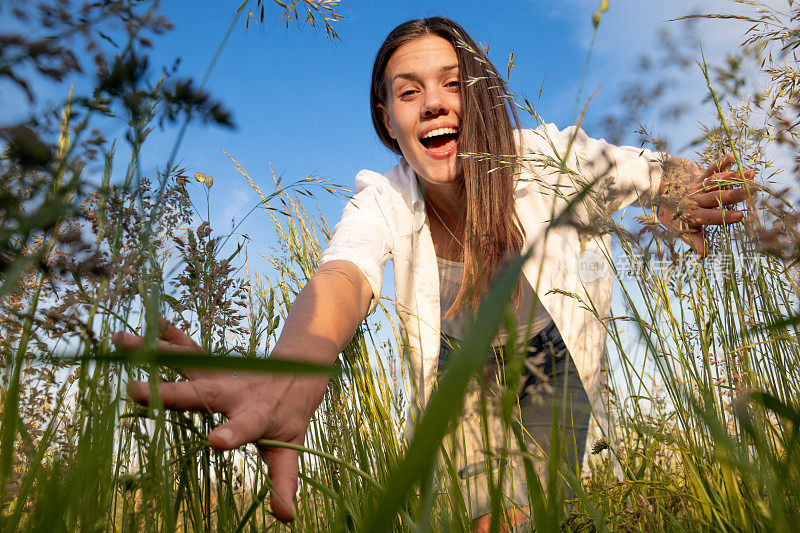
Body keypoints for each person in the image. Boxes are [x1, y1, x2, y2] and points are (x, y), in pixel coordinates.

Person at [112, 16, 754, 531]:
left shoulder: (546, 159)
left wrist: (686, 190)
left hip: (561, 379)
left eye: (453, 83)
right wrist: (292, 374)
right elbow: (342, 278)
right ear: (388, 122)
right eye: (408, 91)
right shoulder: (384, 200)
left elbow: (640, 170)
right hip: (466, 386)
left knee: (570, 507)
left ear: (482, 101)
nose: (433, 104)